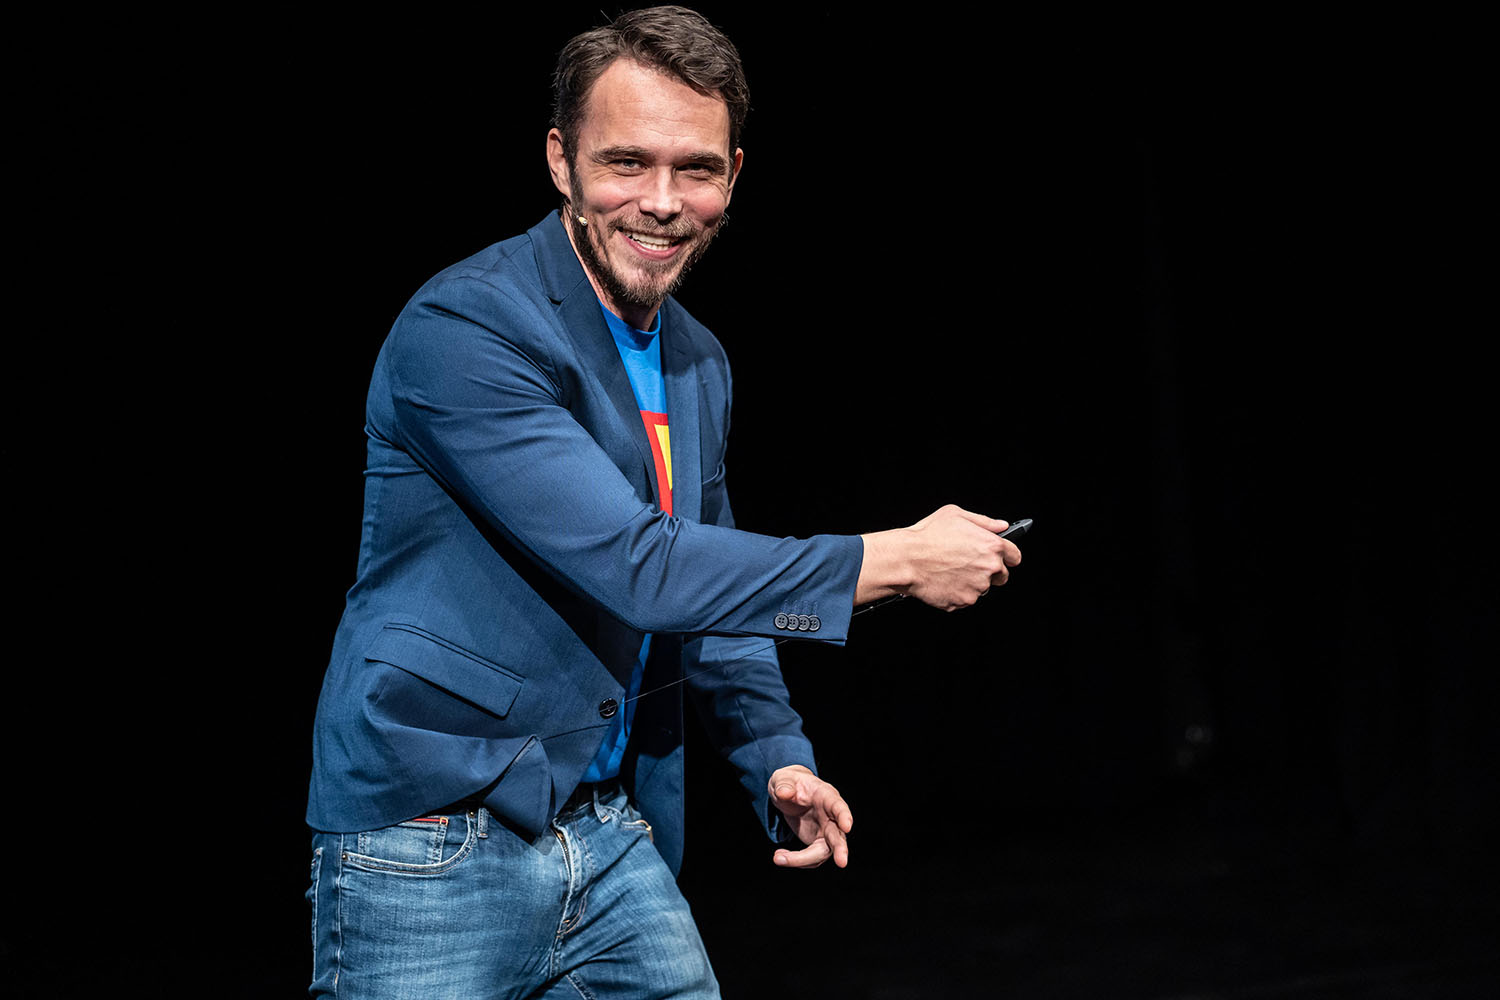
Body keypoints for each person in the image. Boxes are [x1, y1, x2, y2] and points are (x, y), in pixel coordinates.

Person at [305, 7, 1021, 998]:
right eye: (627, 163)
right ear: (561, 161)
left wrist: (774, 755)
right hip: (437, 830)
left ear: (735, 174)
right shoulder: (467, 327)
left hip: (604, 831)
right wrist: (893, 559)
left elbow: (710, 593)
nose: (662, 201)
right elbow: (642, 567)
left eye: (696, 169)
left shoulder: (695, 359)